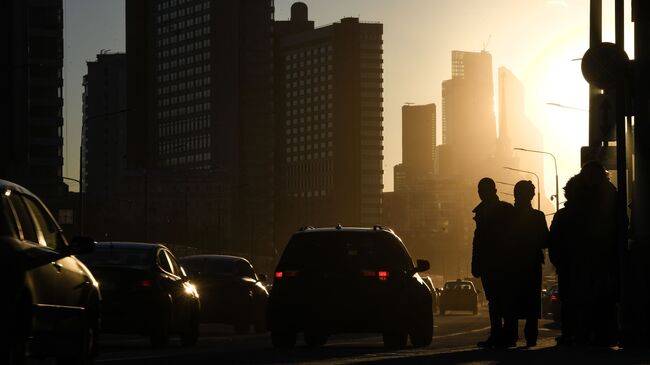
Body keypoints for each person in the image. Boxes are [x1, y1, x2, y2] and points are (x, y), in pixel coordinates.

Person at [571, 161, 620, 346]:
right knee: (601, 298)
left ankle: (595, 333)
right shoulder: (609, 193)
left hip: (595, 254)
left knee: (595, 297)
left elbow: (578, 224)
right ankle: (602, 333)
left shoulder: (588, 196)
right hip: (599, 253)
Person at [503, 180, 549, 348]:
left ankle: (511, 335)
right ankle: (530, 336)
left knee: (512, 300)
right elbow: (545, 240)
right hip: (530, 264)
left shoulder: (507, 216)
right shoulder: (537, 216)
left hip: (512, 265)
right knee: (531, 301)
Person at [471, 177, 514, 347]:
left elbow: (512, 236)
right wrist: (476, 262)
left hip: (501, 263)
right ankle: (498, 334)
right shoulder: (482, 212)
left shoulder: (504, 209)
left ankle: (506, 335)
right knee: (495, 300)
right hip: (489, 263)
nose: (481, 194)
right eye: (479, 190)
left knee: (502, 299)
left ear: (493, 191)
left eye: (484, 190)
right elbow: (478, 241)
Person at [548, 176, 579, 346]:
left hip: (567, 265)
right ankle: (575, 333)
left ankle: (569, 334)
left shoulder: (562, 215)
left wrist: (557, 261)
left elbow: (553, 240)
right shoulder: (584, 215)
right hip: (574, 265)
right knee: (573, 300)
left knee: (568, 301)